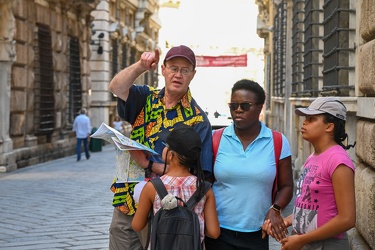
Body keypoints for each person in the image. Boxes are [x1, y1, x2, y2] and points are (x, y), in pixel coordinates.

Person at [108, 45, 213, 250]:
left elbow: (199, 173)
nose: (178, 75)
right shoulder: (145, 97)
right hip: (127, 200)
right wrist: (140, 66)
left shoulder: (198, 120)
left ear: (193, 74)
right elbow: (116, 88)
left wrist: (148, 165)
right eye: (173, 68)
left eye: (185, 70)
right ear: (163, 69)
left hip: (166, 210)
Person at [204, 79, 294, 250]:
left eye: (245, 106)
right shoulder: (215, 139)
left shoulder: (277, 142)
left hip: (257, 234)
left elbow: (287, 186)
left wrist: (275, 209)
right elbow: (205, 183)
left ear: (259, 108)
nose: (238, 110)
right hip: (217, 233)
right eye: (233, 105)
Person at [263, 97, 356, 250]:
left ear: (329, 126)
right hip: (306, 242)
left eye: (311, 119)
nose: (304, 122)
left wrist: (301, 240)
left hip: (327, 244)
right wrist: (285, 222)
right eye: (305, 118)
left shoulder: (338, 161)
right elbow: (312, 208)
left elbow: (347, 219)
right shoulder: (312, 157)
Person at [132, 124, 220, 246]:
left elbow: (137, 225)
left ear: (170, 155)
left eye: (165, 146)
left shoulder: (152, 187)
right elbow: (214, 232)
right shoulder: (204, 189)